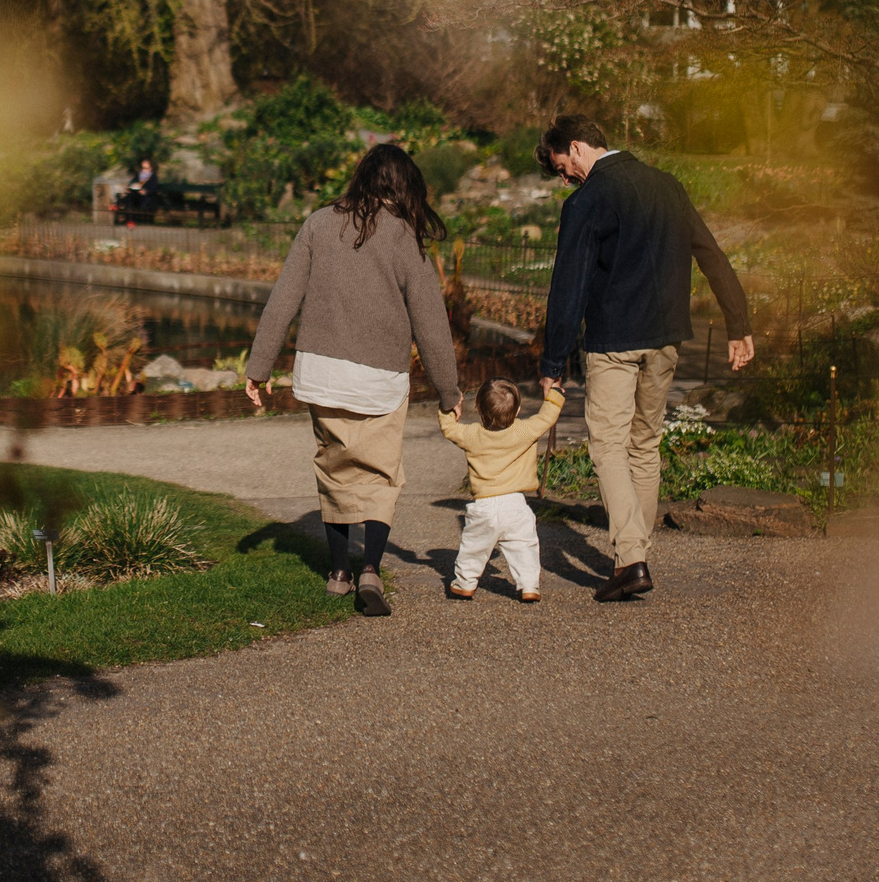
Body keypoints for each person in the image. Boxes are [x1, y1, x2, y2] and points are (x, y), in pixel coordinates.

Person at [536, 113, 754, 604]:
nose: (564, 177)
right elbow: (710, 252)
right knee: (644, 444)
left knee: (608, 446)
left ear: (576, 146)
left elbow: (567, 288)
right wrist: (738, 324)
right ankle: (632, 557)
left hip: (615, 341)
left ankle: (632, 559)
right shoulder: (666, 185)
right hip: (667, 339)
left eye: (561, 167)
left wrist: (553, 365)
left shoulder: (587, 201)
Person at [242, 144, 461, 617]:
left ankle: (338, 572)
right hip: (381, 376)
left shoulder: (319, 223)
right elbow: (431, 322)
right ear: (405, 186)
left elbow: (283, 298)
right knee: (381, 476)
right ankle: (371, 570)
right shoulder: (406, 236)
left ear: (361, 177)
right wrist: (449, 391)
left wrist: (259, 367)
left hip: (322, 372)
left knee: (334, 469)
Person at [440, 378, 550, 602]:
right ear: (518, 409)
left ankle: (465, 583)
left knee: (474, 547)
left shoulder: (473, 435)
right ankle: (529, 585)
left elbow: (449, 429)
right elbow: (547, 417)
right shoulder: (525, 431)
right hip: (516, 505)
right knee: (524, 546)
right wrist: (555, 395)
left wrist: (449, 407)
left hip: (484, 505)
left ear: (479, 409)